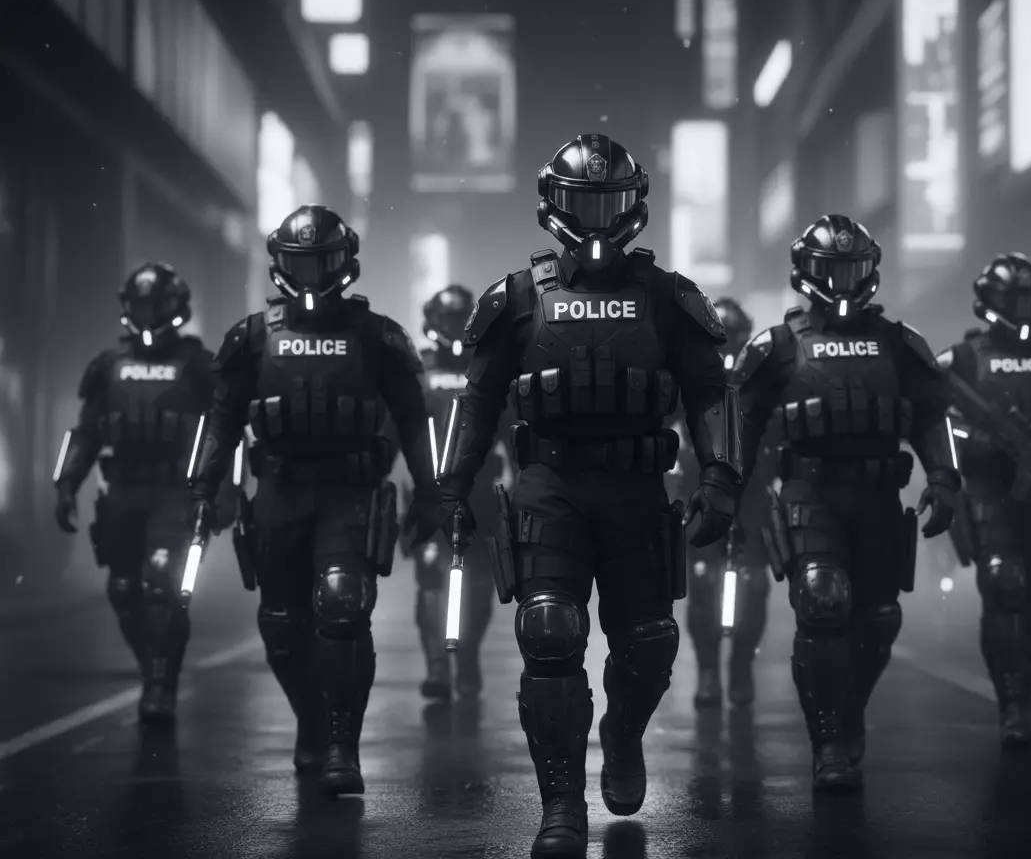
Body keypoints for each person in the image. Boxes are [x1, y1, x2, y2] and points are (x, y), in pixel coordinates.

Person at [435, 133, 740, 858]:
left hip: (638, 488)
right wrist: (451, 484)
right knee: (548, 632)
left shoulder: (668, 296)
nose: (597, 220)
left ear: (634, 203)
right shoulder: (516, 297)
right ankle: (562, 806)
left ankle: (624, 733)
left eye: (610, 202)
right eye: (583, 203)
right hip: (551, 486)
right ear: (553, 204)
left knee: (648, 643)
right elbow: (475, 403)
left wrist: (723, 475)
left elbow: (709, 392)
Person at [186, 205, 440, 796]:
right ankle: (311, 721)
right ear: (280, 264)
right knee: (281, 625)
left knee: (342, 604)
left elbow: (413, 419)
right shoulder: (253, 337)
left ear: (344, 262)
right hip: (278, 492)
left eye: (321, 261)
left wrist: (433, 492)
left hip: (350, 493)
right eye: (300, 263)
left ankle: (341, 747)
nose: (310, 275)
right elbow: (220, 418)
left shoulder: (378, 337)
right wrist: (207, 485)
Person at [732, 214, 959, 792]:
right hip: (811, 493)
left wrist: (945, 477)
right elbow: (740, 426)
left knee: (878, 621)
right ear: (805, 273)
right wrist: (730, 491)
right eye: (829, 270)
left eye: (850, 269)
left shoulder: (897, 343)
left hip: (881, 495)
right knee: (822, 599)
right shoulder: (777, 348)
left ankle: (847, 709)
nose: (840, 282)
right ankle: (829, 741)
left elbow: (933, 417)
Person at [53, 262, 223, 722]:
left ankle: (161, 683)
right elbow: (86, 433)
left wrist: (224, 493)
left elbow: (224, 434)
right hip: (123, 492)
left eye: (157, 305)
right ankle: (153, 667)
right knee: (124, 589)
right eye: (141, 305)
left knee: (160, 583)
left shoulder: (199, 366)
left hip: (175, 494)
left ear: (176, 306)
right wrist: (66, 483)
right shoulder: (109, 366)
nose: (148, 315)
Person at [936, 253, 1031, 747]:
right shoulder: (962, 360)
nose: (1022, 308)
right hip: (990, 488)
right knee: (1004, 582)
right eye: (1013, 298)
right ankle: (1015, 703)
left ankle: (1019, 675)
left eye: (1029, 298)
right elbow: (930, 422)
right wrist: (970, 447)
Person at [414, 283, 504, 701]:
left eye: (458, 319)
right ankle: (436, 666)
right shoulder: (418, 369)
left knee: (483, 583)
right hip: (428, 491)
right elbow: (396, 426)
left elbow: (512, 427)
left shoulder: (490, 365)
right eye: (445, 318)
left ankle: (467, 658)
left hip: (481, 491)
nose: (451, 326)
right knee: (431, 581)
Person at [683, 297, 773, 709]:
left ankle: (739, 668)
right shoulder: (684, 368)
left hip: (752, 495)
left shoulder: (763, 373)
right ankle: (707, 673)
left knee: (753, 585)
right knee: (701, 582)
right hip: (697, 491)